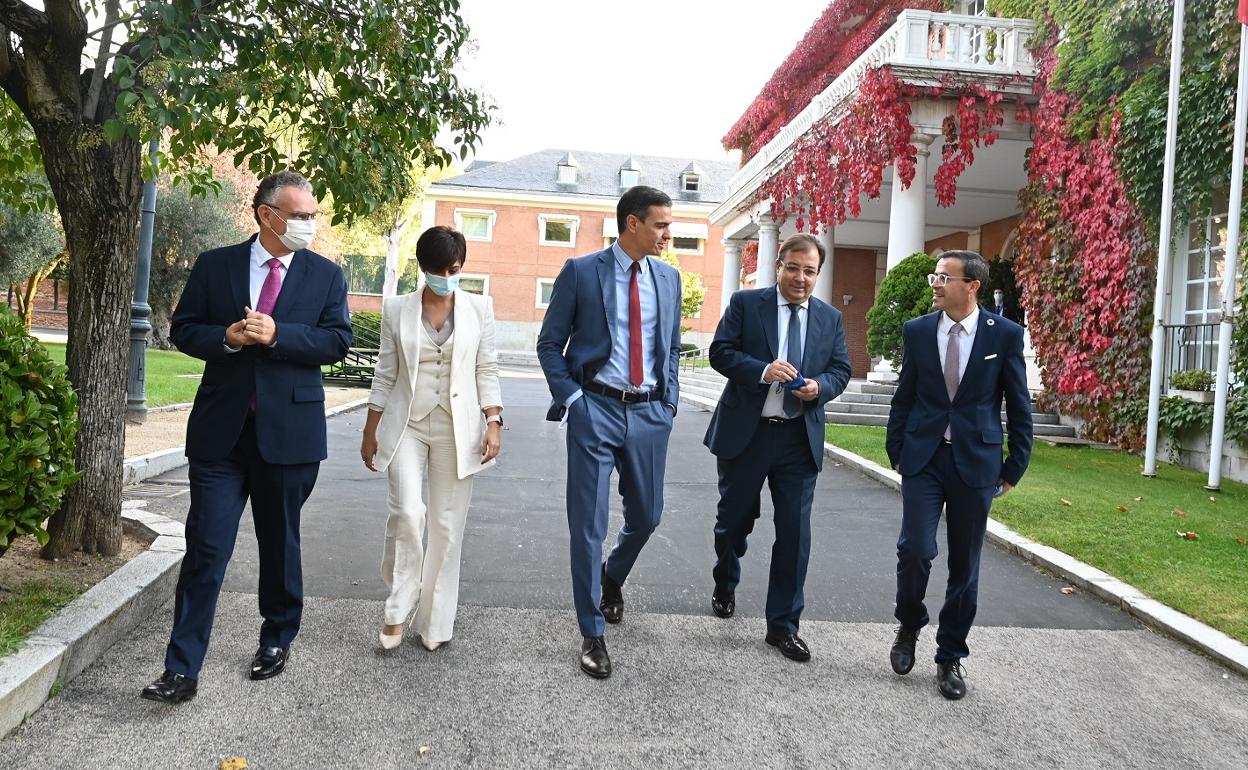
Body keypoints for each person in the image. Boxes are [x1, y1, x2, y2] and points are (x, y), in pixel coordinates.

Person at [142, 171, 351, 704]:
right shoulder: (217, 265)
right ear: (266, 214)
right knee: (206, 548)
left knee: (279, 543)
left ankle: (277, 637)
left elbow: (337, 342)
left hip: (290, 436)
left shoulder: (326, 275)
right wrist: (227, 339)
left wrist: (280, 334)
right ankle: (181, 668)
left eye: (311, 215)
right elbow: (184, 327)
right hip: (221, 436)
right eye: (300, 215)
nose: (309, 224)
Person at [536, 185, 682, 679]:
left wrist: (669, 401)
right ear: (632, 223)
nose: (668, 233)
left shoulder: (669, 278)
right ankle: (591, 630)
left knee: (648, 515)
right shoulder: (581, 272)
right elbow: (550, 343)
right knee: (588, 524)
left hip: (649, 415)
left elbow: (671, 347)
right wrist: (573, 400)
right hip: (594, 406)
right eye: (661, 224)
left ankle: (611, 576)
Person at [885, 250, 1033, 700]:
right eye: (935, 275)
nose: (935, 283)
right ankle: (909, 625)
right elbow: (904, 394)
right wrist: (897, 449)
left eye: (943, 277)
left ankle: (950, 655)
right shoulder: (917, 331)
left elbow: (1018, 404)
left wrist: (1014, 466)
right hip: (924, 458)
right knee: (915, 548)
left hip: (977, 463)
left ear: (972, 286)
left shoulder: (1005, 335)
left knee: (965, 566)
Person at [702, 233, 852, 662]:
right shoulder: (746, 304)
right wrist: (763, 370)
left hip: (797, 439)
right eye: (793, 267)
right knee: (734, 522)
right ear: (778, 265)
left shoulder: (830, 318)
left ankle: (783, 626)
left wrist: (819, 387)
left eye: (809, 271)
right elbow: (720, 353)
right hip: (746, 435)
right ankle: (725, 578)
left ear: (818, 274)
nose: (800, 278)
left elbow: (841, 369)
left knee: (795, 535)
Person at [359, 225, 503, 651]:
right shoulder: (396, 308)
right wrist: (371, 430)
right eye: (437, 269)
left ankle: (435, 618)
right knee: (406, 512)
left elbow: (486, 368)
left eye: (454, 268)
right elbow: (385, 372)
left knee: (446, 525)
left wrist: (493, 420)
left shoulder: (480, 308)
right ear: (422, 268)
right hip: (407, 423)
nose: (446, 276)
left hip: (458, 428)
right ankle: (398, 606)